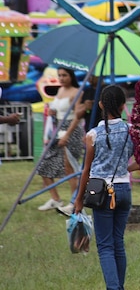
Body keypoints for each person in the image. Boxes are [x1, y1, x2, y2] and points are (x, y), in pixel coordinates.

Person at [74, 85, 139, 290]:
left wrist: (78, 199)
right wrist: (126, 168)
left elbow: (86, 170)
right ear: (123, 105)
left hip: (101, 193)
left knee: (105, 246)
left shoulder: (93, 135)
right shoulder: (131, 131)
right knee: (118, 242)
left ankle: (114, 288)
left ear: (101, 104)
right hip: (124, 190)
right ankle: (119, 286)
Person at [36, 67, 85, 213]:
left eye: (64, 75)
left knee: (70, 168)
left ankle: (74, 202)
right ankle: (55, 199)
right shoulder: (60, 91)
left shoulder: (77, 92)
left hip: (71, 131)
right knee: (43, 165)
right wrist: (52, 112)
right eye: (59, 76)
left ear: (71, 76)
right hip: (57, 129)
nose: (61, 78)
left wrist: (67, 135)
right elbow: (58, 110)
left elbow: (77, 116)